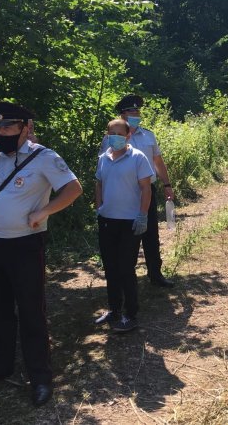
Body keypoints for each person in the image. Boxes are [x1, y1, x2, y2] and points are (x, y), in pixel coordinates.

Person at [0, 102, 82, 407]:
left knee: (32, 313)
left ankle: (41, 378)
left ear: (25, 128)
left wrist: (44, 211)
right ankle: (1, 367)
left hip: (25, 246)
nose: (2, 132)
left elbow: (73, 189)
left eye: (8, 127)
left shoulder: (44, 157)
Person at [101, 94, 174, 287]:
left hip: (146, 191)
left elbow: (158, 162)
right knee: (126, 237)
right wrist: (101, 203)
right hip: (123, 193)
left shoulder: (148, 135)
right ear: (123, 114)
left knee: (151, 234)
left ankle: (155, 274)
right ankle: (126, 277)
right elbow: (103, 170)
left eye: (137, 111)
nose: (136, 114)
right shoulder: (111, 139)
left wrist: (167, 185)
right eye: (132, 111)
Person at [94, 119, 153, 332]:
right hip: (108, 220)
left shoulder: (138, 158)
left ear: (128, 136)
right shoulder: (103, 158)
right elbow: (99, 183)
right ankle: (114, 309)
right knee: (110, 267)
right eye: (112, 133)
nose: (115, 137)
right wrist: (99, 208)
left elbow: (146, 189)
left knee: (126, 268)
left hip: (130, 221)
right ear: (107, 134)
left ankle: (131, 314)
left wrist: (142, 215)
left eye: (120, 133)